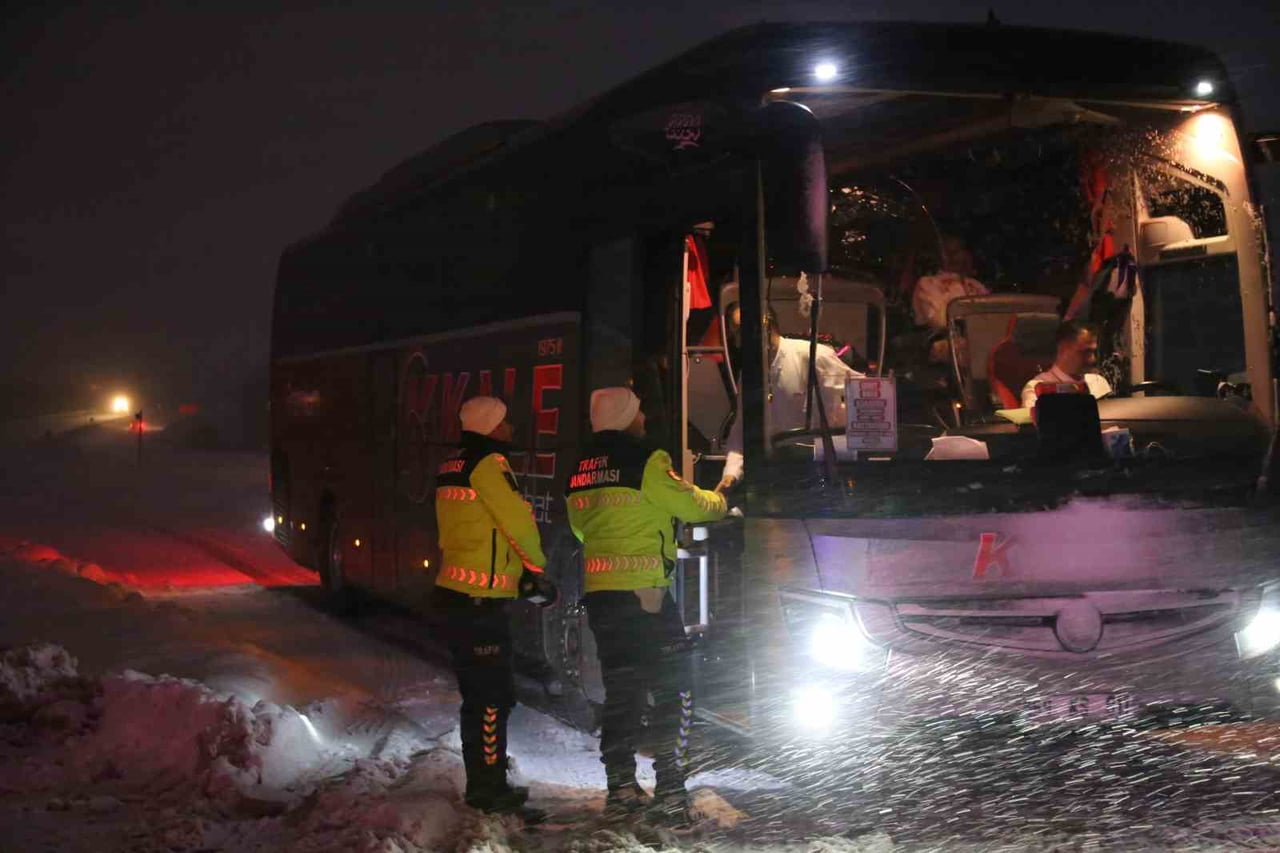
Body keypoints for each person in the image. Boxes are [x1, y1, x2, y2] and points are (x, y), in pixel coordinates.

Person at [566, 387, 728, 823]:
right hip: (648, 600)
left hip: (602, 597)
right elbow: (695, 507)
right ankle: (671, 789)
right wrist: (726, 490)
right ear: (627, 418)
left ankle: (620, 788)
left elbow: (581, 529)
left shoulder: (580, 469)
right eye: (639, 412)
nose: (644, 420)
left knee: (623, 692)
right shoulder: (649, 461)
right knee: (676, 688)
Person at [432, 396, 556, 819]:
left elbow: (477, 531)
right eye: (505, 421)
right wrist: (537, 570)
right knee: (491, 699)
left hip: (459, 596)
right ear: (489, 426)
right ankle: (487, 790)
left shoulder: (454, 464)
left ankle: (486, 783)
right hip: (479, 604)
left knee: (480, 697)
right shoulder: (488, 465)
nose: (511, 428)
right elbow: (515, 521)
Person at [717, 308, 861, 491]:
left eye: (740, 332)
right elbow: (741, 431)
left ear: (766, 326)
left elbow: (863, 394)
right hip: (777, 475)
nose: (737, 342)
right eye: (734, 334)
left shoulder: (813, 356)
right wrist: (730, 475)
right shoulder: (750, 375)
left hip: (821, 473)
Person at [1020, 321, 1113, 409]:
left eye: (1093, 352)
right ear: (1063, 350)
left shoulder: (1098, 382)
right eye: (1085, 352)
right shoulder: (1037, 389)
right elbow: (1034, 425)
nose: (1093, 359)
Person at [911, 235, 990, 332]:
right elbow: (940, 322)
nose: (951, 256)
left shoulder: (976, 285)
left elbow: (991, 320)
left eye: (956, 251)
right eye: (946, 251)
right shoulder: (927, 283)